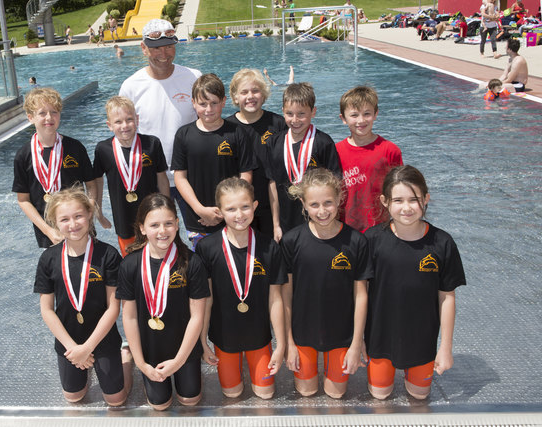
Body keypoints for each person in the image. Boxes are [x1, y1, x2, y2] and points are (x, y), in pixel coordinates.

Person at [365, 165, 466, 400]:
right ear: (384, 201)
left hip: (422, 340)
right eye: (398, 200)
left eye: (414, 199)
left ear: (426, 198)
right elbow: (360, 293)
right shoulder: (371, 240)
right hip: (380, 339)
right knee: (380, 396)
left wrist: (445, 348)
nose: (407, 207)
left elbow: (447, 297)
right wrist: (358, 339)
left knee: (419, 397)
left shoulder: (443, 243)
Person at [33, 186, 132, 405]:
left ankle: (125, 359)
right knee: (73, 398)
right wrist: (73, 349)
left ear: (89, 214)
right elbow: (47, 310)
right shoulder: (49, 259)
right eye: (65, 219)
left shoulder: (108, 255)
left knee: (116, 400)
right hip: (68, 341)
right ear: (55, 223)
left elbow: (113, 308)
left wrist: (87, 348)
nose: (73, 224)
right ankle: (85, 366)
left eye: (78, 216)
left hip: (103, 338)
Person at [281, 168, 370, 398]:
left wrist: (356, 344)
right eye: (314, 205)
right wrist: (288, 343)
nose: (322, 211)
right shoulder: (292, 241)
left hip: (342, 334)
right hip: (302, 334)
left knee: (336, 395)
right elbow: (285, 296)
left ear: (340, 198)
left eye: (328, 203)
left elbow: (361, 296)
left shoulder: (356, 241)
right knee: (307, 393)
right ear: (303, 203)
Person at [196, 178, 286, 399]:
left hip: (259, 336)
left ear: (255, 206)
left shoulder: (269, 247)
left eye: (245, 207)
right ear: (220, 211)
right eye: (231, 209)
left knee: (265, 395)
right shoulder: (206, 248)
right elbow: (205, 300)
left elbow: (276, 300)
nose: (239, 214)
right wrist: (202, 341)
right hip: (224, 337)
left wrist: (281, 343)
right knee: (232, 394)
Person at [117, 193, 209, 410]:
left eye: (168, 223)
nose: (162, 231)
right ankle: (128, 360)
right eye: (154, 225)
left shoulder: (191, 262)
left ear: (177, 225)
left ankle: (185, 367)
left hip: (184, 349)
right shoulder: (130, 265)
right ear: (142, 228)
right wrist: (141, 363)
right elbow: (128, 317)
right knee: (160, 405)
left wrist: (178, 361)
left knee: (190, 401)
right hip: (150, 349)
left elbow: (197, 316)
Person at [172, 73, 256, 247]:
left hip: (233, 218)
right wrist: (199, 209)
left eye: (214, 103)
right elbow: (180, 178)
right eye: (203, 104)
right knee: (203, 268)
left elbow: (245, 175)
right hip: (198, 218)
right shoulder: (183, 135)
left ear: (223, 102)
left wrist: (230, 210)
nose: (208, 109)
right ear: (193, 103)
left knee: (234, 265)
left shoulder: (237, 133)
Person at [119, 19, 202, 194]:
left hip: (191, 174)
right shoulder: (130, 86)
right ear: (143, 48)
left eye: (169, 46)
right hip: (151, 176)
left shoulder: (193, 77)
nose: (164, 53)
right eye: (156, 48)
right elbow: (122, 133)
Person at [12, 88, 97, 248]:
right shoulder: (23, 155)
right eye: (42, 113)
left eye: (54, 112)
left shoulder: (75, 147)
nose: (49, 117)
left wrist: (88, 215)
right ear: (30, 117)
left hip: (80, 226)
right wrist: (48, 231)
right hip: (49, 232)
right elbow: (23, 200)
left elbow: (91, 185)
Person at [93, 96, 170, 255]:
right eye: (118, 122)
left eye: (129, 119)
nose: (125, 125)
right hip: (123, 216)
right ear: (109, 125)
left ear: (137, 119)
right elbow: (97, 181)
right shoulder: (103, 149)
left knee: (159, 255)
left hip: (153, 213)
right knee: (130, 259)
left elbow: (161, 178)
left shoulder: (152, 144)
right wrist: (98, 212)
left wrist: (168, 208)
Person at [265, 82, 342, 242]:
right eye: (289, 113)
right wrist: (275, 225)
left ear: (313, 112)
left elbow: (336, 185)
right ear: (282, 112)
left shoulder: (323, 142)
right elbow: (272, 185)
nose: (295, 120)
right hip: (285, 223)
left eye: (301, 114)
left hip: (319, 223)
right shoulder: (274, 143)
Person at [226, 69, 287, 237]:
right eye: (244, 92)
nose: (250, 96)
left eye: (255, 91)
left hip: (274, 204)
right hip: (240, 208)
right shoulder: (227, 128)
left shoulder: (279, 124)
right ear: (235, 96)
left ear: (264, 94)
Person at [335, 86, 403, 232]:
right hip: (344, 227)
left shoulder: (390, 150)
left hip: (381, 227)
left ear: (376, 114)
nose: (361, 120)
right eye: (354, 115)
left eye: (367, 114)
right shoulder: (335, 151)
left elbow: (399, 190)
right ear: (343, 119)